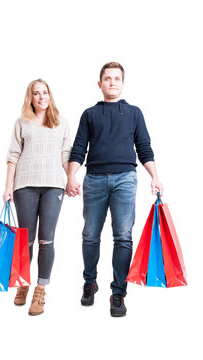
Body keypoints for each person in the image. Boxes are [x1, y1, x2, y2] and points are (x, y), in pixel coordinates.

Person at [66, 62, 163, 317]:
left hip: (125, 180)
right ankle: (90, 282)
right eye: (107, 78)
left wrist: (155, 177)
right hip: (95, 179)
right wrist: (71, 176)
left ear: (122, 83)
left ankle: (118, 292)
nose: (112, 82)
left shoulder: (134, 113)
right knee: (90, 235)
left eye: (116, 78)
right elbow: (78, 149)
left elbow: (144, 148)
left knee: (123, 236)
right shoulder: (89, 114)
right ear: (100, 84)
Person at [3, 79, 71, 316]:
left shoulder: (62, 122)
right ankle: (22, 284)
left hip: (53, 186)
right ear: (30, 98)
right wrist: (8, 187)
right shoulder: (21, 123)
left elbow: (66, 155)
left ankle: (40, 291)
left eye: (45, 93)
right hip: (25, 186)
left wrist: (71, 179)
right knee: (25, 240)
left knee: (46, 240)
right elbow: (13, 155)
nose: (42, 97)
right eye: (36, 93)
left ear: (50, 96)